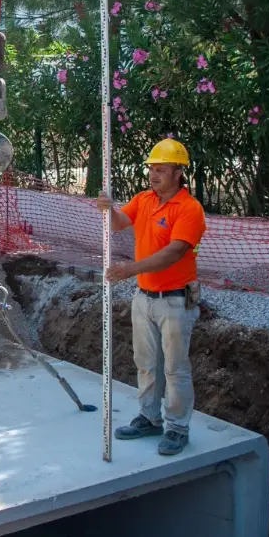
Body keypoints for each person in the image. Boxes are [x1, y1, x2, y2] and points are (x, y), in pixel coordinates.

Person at [97, 138, 207, 456]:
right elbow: (119, 223)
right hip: (144, 297)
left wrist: (130, 268)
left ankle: (177, 428)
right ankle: (149, 417)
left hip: (174, 299)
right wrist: (109, 209)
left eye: (160, 170)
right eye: (151, 169)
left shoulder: (189, 209)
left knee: (174, 368)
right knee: (146, 363)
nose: (153, 176)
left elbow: (174, 253)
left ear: (178, 173)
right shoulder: (145, 200)